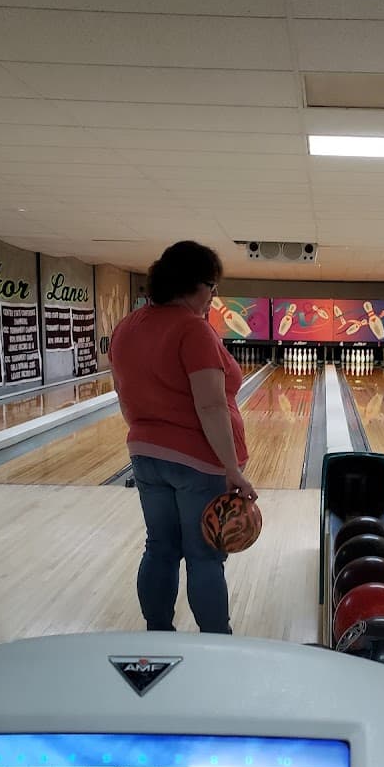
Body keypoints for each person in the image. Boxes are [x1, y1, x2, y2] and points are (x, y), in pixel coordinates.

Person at [109, 240, 257, 633]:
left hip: (145, 457)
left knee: (160, 547)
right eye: (212, 287)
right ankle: (217, 641)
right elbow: (210, 407)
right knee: (205, 556)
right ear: (196, 285)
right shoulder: (193, 329)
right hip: (198, 463)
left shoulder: (126, 327)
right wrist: (232, 469)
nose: (212, 297)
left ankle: (158, 632)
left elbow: (124, 394)